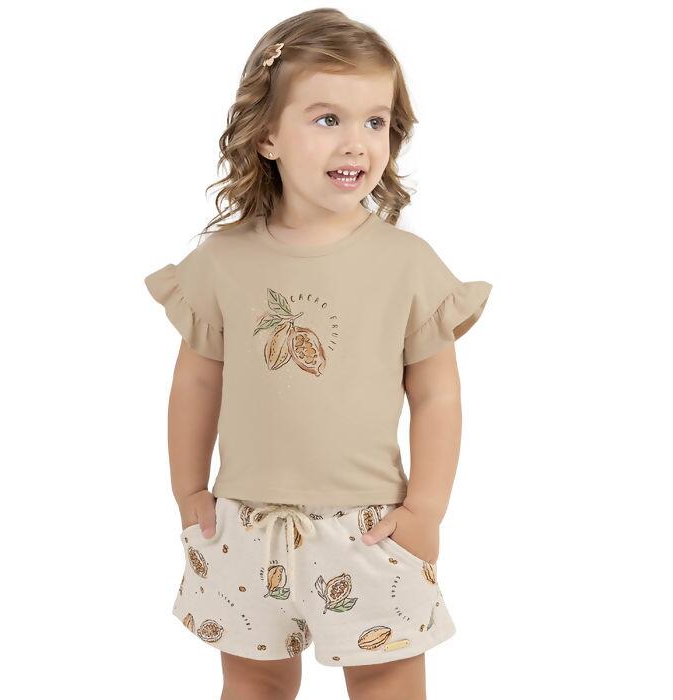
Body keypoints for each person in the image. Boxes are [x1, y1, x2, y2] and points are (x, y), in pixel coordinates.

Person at [144, 8, 492, 700]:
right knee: (254, 684)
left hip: (372, 528)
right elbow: (197, 384)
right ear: (267, 134)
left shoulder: (407, 264)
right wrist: (188, 493)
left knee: (389, 683)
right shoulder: (222, 261)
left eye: (376, 121)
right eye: (328, 118)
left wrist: (426, 510)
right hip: (244, 523)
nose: (357, 142)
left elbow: (437, 395)